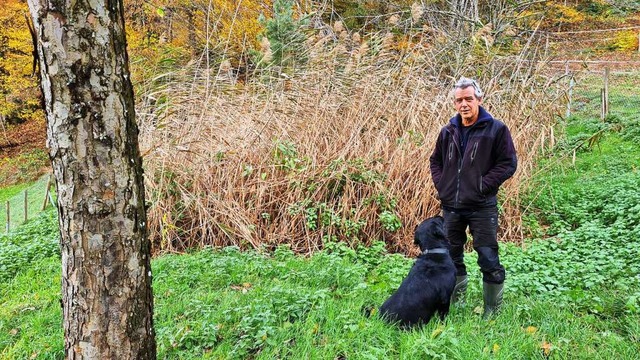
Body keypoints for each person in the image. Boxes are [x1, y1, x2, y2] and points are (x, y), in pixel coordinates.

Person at [429, 77, 517, 318]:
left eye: (469, 98)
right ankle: (456, 301)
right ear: (455, 104)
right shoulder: (448, 131)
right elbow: (435, 161)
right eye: (459, 100)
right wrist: (443, 184)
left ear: (479, 99)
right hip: (452, 207)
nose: (464, 104)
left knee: (488, 257)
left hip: (482, 207)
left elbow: (508, 163)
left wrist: (482, 185)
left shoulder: (496, 129)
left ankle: (492, 310)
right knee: (452, 255)